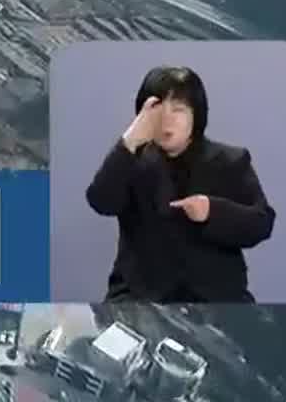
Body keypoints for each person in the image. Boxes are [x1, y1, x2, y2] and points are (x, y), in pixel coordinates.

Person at [85, 65, 275, 302]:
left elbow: (262, 222)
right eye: (158, 110)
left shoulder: (230, 161)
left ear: (196, 115)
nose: (167, 120)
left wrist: (212, 211)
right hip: (138, 295)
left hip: (217, 298)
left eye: (178, 110)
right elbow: (101, 202)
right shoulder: (129, 158)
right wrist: (130, 139)